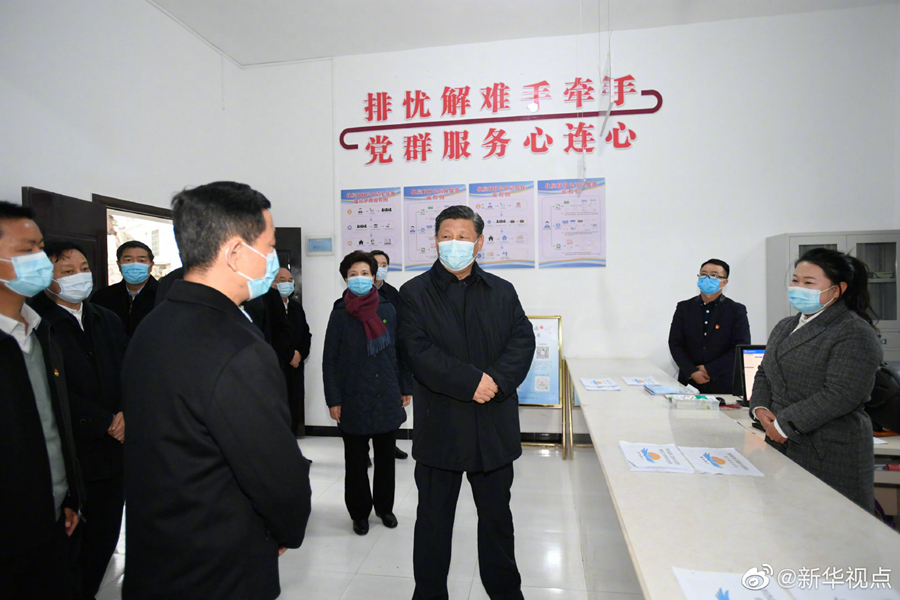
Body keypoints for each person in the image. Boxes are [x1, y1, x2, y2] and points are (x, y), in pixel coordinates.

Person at [121, 182, 311, 599]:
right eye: (269, 246)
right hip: (218, 564)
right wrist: (285, 527)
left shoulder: (154, 324)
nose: (273, 259)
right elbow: (274, 473)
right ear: (236, 252)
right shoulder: (238, 347)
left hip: (158, 554)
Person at [399, 205, 535, 600]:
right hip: (440, 426)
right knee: (433, 524)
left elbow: (522, 341)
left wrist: (495, 382)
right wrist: (471, 382)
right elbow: (416, 351)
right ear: (435, 241)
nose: (453, 243)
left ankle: (506, 593)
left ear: (479, 243)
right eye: (446, 236)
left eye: (463, 236)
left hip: (493, 427)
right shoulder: (414, 293)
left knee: (497, 522)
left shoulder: (502, 291)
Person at [30, 241, 128, 600]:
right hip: (67, 454)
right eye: (67, 271)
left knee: (103, 538)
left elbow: (130, 370)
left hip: (114, 453)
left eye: (84, 269)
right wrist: (102, 420)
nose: (79, 276)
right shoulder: (37, 323)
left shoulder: (107, 318)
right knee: (65, 549)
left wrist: (126, 413)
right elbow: (45, 389)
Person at [751, 248, 882, 512]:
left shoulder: (853, 331)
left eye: (809, 282)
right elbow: (765, 371)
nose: (798, 288)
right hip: (780, 443)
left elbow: (841, 394)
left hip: (829, 451)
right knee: (782, 523)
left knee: (830, 526)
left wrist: (784, 424)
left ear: (837, 290)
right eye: (795, 280)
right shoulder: (785, 326)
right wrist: (760, 408)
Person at [0, 201, 84, 598]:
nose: (40, 259)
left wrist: (67, 495)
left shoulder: (40, 332)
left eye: (40, 247)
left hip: (51, 520)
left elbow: (52, 425)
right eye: (26, 250)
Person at [323, 250, 412, 535]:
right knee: (356, 462)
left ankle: (385, 508)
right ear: (345, 279)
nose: (359, 278)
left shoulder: (388, 309)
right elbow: (330, 360)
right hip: (353, 397)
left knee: (386, 461)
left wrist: (405, 387)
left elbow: (400, 351)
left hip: (386, 393)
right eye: (353, 274)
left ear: (374, 277)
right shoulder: (339, 313)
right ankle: (359, 513)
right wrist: (334, 399)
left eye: (364, 273)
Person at [668, 259, 750, 393]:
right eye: (703, 274)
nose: (707, 279)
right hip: (688, 382)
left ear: (725, 282)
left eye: (714, 275)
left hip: (723, 383)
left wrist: (709, 369)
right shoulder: (684, 307)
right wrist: (692, 371)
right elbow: (675, 343)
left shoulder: (736, 310)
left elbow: (741, 347)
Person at [371, 249, 409, 460]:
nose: (380, 268)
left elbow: (401, 327)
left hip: (389, 357)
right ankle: (364, 451)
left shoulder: (393, 294)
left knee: (389, 406)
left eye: (384, 264)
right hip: (366, 357)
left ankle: (390, 445)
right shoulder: (357, 293)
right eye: (376, 264)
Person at [90, 240, 158, 336]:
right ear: (119, 265)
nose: (135, 265)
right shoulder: (102, 297)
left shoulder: (164, 295)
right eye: (128, 260)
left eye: (141, 261)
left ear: (151, 265)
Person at [274, 267, 311, 436]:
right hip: (278, 366)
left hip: (296, 367)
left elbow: (305, 334)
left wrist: (300, 354)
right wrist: (289, 355)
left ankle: (293, 441)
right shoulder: (267, 307)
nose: (287, 284)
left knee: (294, 404)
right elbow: (273, 336)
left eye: (290, 281)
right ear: (273, 283)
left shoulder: (296, 307)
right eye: (282, 280)